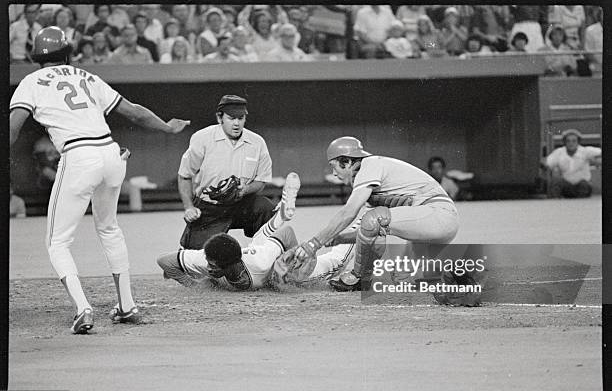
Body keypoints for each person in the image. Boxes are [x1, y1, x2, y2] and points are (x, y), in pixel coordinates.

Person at [9, 26, 190, 334]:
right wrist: (167, 128)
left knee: (57, 241)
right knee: (109, 229)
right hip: (110, 153)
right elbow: (133, 112)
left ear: (36, 56)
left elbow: (13, 127)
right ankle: (127, 305)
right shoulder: (86, 76)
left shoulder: (31, 80)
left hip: (79, 155)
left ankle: (83, 308)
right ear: (67, 53)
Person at [289, 137, 473, 305]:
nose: (333, 172)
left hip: (438, 215)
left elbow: (349, 213)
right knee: (402, 278)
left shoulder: (369, 166)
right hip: (432, 222)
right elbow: (368, 232)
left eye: (333, 165)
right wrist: (339, 239)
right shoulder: (374, 178)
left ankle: (359, 279)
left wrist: (313, 244)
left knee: (373, 219)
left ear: (346, 161)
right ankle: (458, 279)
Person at [158, 172, 354, 290]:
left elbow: (286, 233)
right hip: (257, 251)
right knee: (261, 239)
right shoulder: (207, 259)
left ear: (228, 265)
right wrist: (196, 284)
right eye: (208, 263)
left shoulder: (261, 263)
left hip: (268, 263)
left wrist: (293, 263)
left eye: (213, 266)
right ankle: (280, 215)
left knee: (334, 264)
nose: (208, 268)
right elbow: (164, 261)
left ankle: (356, 227)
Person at [177, 95, 276, 250]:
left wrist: (245, 190)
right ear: (219, 118)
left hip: (241, 203)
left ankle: (263, 253)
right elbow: (184, 175)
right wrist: (189, 207)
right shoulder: (202, 138)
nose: (236, 123)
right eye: (231, 118)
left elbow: (261, 180)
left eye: (241, 118)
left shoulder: (257, 142)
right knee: (197, 260)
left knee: (265, 208)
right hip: (209, 207)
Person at [541, 129, 601, 198]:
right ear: (564, 142)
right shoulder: (559, 152)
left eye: (574, 141)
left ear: (578, 142)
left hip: (582, 186)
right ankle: (554, 205)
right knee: (556, 182)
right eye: (568, 141)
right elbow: (547, 163)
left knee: (584, 185)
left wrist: (596, 161)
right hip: (566, 186)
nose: (571, 143)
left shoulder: (585, 151)